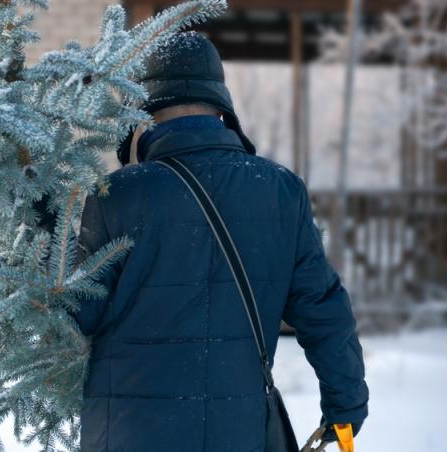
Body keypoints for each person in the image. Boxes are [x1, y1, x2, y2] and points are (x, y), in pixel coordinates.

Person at [53, 31, 370, 452]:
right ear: (221, 105)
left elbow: (74, 315)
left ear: (143, 107)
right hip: (239, 433)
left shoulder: (117, 196)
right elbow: (325, 311)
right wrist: (345, 406)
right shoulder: (280, 191)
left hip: (130, 435)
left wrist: (47, 230)